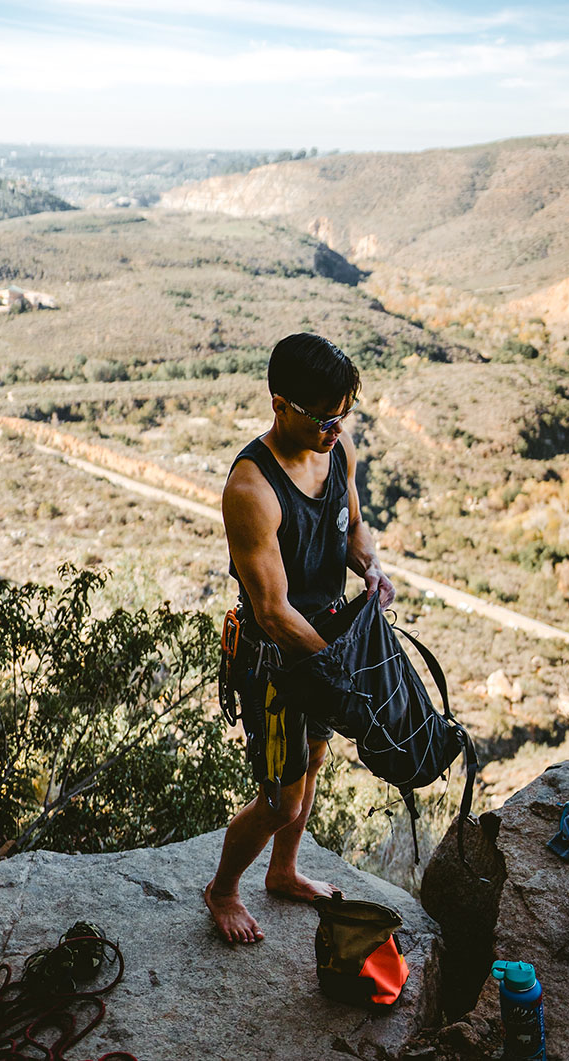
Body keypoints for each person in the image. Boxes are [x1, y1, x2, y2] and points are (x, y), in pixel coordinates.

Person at [205, 333, 395, 945]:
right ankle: (223, 890)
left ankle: (283, 872)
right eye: (323, 417)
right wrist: (335, 670)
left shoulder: (336, 450)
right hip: (275, 659)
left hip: (327, 638)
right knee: (282, 800)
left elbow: (354, 527)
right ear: (279, 403)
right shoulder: (252, 489)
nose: (336, 428)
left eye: (343, 414)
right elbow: (272, 609)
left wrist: (370, 568)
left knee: (313, 763)